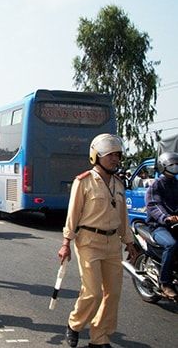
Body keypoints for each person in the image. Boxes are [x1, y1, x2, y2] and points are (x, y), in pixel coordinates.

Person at [58, 133, 137, 348]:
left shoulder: (119, 183)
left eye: (117, 155)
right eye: (110, 155)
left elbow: (122, 216)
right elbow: (72, 215)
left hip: (112, 244)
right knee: (92, 292)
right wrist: (66, 243)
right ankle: (74, 324)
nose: (115, 159)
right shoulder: (83, 182)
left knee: (113, 293)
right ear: (96, 156)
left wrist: (128, 241)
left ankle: (99, 337)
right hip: (89, 241)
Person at [145, 151, 178, 299]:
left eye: (176, 164)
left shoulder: (176, 184)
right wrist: (166, 218)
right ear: (163, 166)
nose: (175, 167)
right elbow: (154, 205)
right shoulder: (156, 185)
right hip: (159, 226)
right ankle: (165, 282)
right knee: (172, 244)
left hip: (175, 225)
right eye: (171, 164)